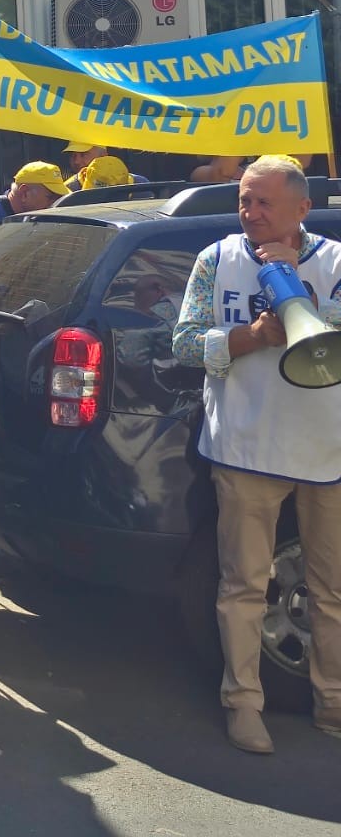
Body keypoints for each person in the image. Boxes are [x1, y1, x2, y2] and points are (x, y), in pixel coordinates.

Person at [172, 156, 341, 753]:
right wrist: (250, 338)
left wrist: (299, 292)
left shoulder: (336, 262)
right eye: (245, 200)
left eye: (265, 202)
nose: (251, 213)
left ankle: (332, 700)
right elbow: (185, 342)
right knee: (243, 586)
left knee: (330, 589)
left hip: (327, 451)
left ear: (302, 208)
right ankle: (243, 702)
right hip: (245, 448)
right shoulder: (216, 260)